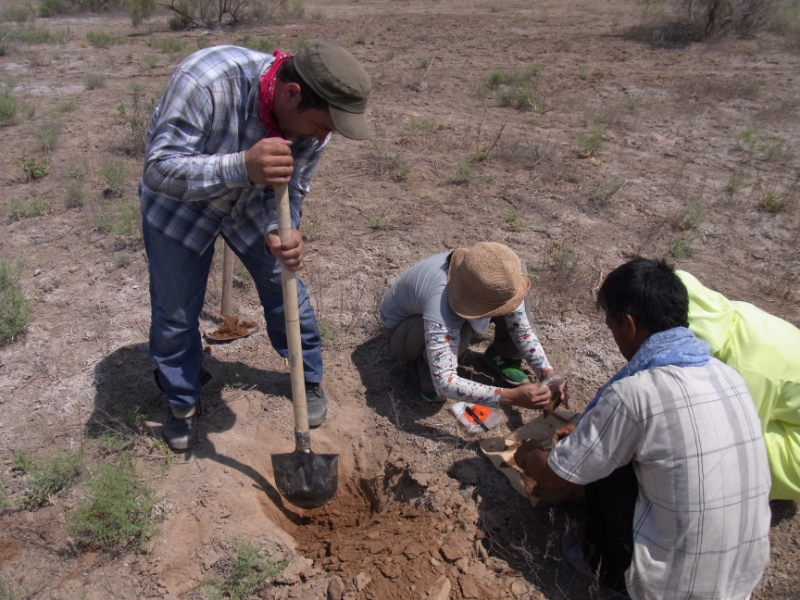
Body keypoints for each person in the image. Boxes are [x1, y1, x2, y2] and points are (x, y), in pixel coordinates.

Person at [138, 41, 372, 450]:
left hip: (248, 204)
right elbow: (159, 169)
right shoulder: (208, 81)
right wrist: (242, 166)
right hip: (180, 204)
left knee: (287, 294)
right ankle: (181, 400)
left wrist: (282, 229)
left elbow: (292, 187)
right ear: (292, 94)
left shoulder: (316, 126)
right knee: (175, 313)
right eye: (321, 125)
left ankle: (307, 380)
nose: (323, 137)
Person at [514, 258, 771, 600]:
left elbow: (556, 476)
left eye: (612, 326)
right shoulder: (727, 374)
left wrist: (529, 454)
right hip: (743, 574)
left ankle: (605, 564)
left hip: (671, 587)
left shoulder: (635, 392)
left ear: (629, 324)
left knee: (604, 471)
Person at [379, 242, 564, 410]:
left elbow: (521, 328)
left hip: (440, 312)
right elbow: (445, 381)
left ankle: (502, 356)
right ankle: (427, 374)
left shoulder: (500, 274)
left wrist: (547, 372)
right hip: (401, 331)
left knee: (510, 294)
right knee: (460, 336)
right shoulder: (441, 300)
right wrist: (509, 397)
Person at [677, 269, 800, 500]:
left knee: (696, 444)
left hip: (796, 448)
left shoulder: (744, 369)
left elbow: (734, 441)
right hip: (784, 410)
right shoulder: (725, 316)